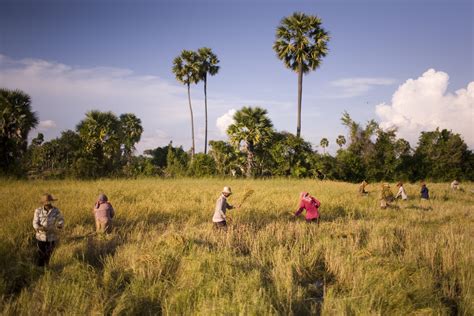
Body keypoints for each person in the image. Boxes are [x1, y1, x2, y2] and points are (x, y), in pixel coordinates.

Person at [32, 193, 64, 266]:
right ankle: (40, 269)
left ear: (51, 202)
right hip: (41, 236)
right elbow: (35, 222)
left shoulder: (56, 211)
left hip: (52, 236)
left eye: (49, 202)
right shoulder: (38, 211)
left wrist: (60, 225)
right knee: (41, 254)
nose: (48, 203)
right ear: (43, 203)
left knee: (50, 254)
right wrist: (39, 227)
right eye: (46, 202)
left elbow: (61, 220)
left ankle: (48, 268)